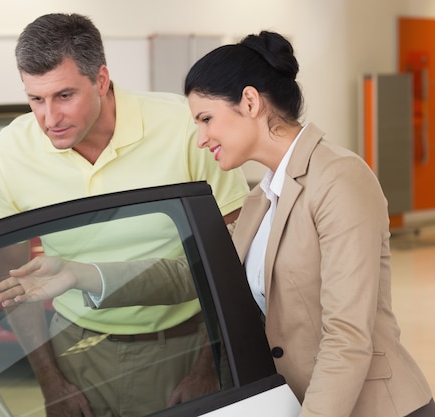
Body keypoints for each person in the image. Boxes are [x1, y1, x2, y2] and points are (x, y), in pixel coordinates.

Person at [0, 12, 250, 417]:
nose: (49, 119)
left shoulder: (183, 126)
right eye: (36, 99)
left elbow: (236, 255)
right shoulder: (8, 153)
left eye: (64, 96)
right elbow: (14, 284)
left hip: (185, 347)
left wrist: (210, 366)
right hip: (75, 353)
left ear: (101, 80)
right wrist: (50, 383)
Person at [183, 31, 435, 416]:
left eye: (206, 119)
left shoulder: (339, 177)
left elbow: (347, 336)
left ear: (250, 102)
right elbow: (197, 270)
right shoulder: (261, 200)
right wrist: (86, 276)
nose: (201, 138)